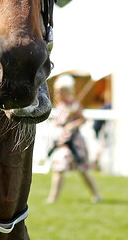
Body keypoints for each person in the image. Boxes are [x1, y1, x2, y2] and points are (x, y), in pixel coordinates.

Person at [46, 74, 103, 204]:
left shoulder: (74, 104)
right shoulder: (61, 105)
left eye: (62, 91)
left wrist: (72, 124)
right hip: (63, 142)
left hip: (74, 142)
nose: (59, 93)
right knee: (58, 168)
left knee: (83, 170)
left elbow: (82, 119)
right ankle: (53, 198)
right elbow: (59, 121)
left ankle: (96, 194)